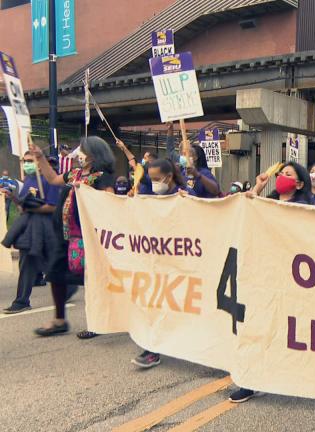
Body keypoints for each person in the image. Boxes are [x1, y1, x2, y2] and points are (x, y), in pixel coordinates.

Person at [229, 161, 312, 402]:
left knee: (284, 328)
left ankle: (287, 373)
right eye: (281, 173)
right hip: (262, 274)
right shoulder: (266, 203)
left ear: (298, 183)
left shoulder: (304, 208)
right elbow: (246, 211)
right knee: (256, 325)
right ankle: (250, 380)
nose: (282, 177)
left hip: (289, 279)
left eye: (288, 174)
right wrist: (258, 187)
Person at [28, 137, 116, 337]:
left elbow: (109, 201)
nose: (78, 154)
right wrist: (40, 157)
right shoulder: (73, 173)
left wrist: (86, 192)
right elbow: (52, 179)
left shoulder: (102, 176)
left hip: (89, 236)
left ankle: (98, 321)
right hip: (66, 234)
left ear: (93, 154)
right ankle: (59, 320)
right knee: (55, 273)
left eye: (82, 150)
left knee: (93, 279)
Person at [131, 159, 195, 367]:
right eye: (151, 178)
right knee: (155, 304)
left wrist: (189, 203)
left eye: (157, 179)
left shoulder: (185, 196)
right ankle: (152, 350)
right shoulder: (149, 198)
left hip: (182, 264)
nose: (154, 182)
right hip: (157, 263)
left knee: (182, 308)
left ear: (169, 177)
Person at [1, 152, 61, 313]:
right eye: (24, 161)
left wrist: (34, 207)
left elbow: (54, 206)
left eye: (29, 161)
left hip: (46, 229)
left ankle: (67, 289)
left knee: (55, 266)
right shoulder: (28, 180)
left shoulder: (50, 181)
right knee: (26, 264)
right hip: (29, 228)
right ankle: (21, 301)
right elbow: (22, 206)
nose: (26, 164)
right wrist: (13, 197)